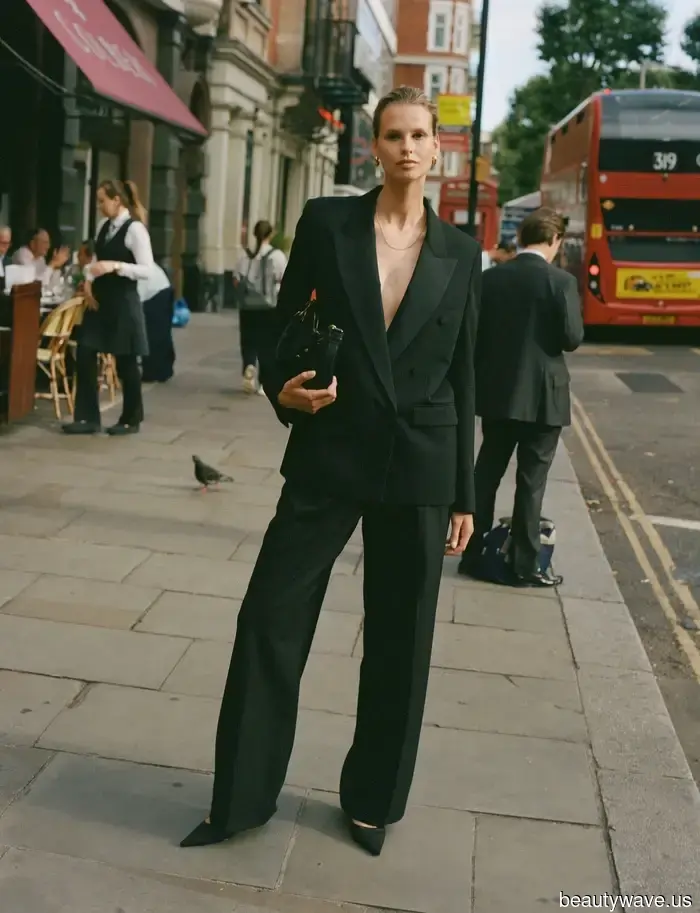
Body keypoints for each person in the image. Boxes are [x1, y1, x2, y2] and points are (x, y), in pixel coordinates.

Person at [180, 85, 481, 858]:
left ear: (436, 146)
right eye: (393, 135)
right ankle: (240, 798)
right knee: (269, 616)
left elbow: (466, 373)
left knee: (400, 640)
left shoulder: (460, 251)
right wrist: (284, 389)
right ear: (373, 147)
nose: (407, 147)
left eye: (420, 134)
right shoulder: (327, 222)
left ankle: (373, 802)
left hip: (420, 463)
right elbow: (287, 326)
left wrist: (465, 493)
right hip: (329, 446)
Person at [459, 207, 584, 588]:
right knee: (532, 481)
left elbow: (474, 335)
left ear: (520, 237)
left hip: (499, 393)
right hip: (545, 398)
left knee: (487, 473)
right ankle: (525, 564)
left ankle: (472, 549)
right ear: (555, 241)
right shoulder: (560, 282)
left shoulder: (492, 278)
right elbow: (571, 339)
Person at [62, 179, 153, 436]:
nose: (100, 206)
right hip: (100, 302)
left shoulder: (135, 230)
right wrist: (89, 281)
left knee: (126, 361)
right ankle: (87, 418)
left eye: (103, 200)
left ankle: (131, 418)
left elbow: (147, 269)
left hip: (123, 302)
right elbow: (95, 262)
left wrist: (116, 266)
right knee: (86, 351)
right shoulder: (104, 227)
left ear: (117, 200)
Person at [233, 220, 287, 394]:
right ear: (270, 234)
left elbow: (236, 280)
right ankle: (264, 383)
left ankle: (249, 367)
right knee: (268, 344)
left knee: (248, 341)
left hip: (247, 306)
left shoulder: (244, 256)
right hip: (269, 307)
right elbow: (284, 278)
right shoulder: (277, 255)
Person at [138, 262, 175, 383]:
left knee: (154, 334)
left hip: (156, 293)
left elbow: (139, 295)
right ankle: (162, 370)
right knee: (160, 332)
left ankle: (155, 371)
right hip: (160, 288)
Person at [12, 227, 69, 292]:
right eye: (45, 243)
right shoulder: (22, 254)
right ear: (32, 243)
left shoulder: (40, 258)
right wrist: (52, 265)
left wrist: (57, 266)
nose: (48, 246)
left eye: (48, 243)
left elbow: (50, 287)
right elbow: (37, 286)